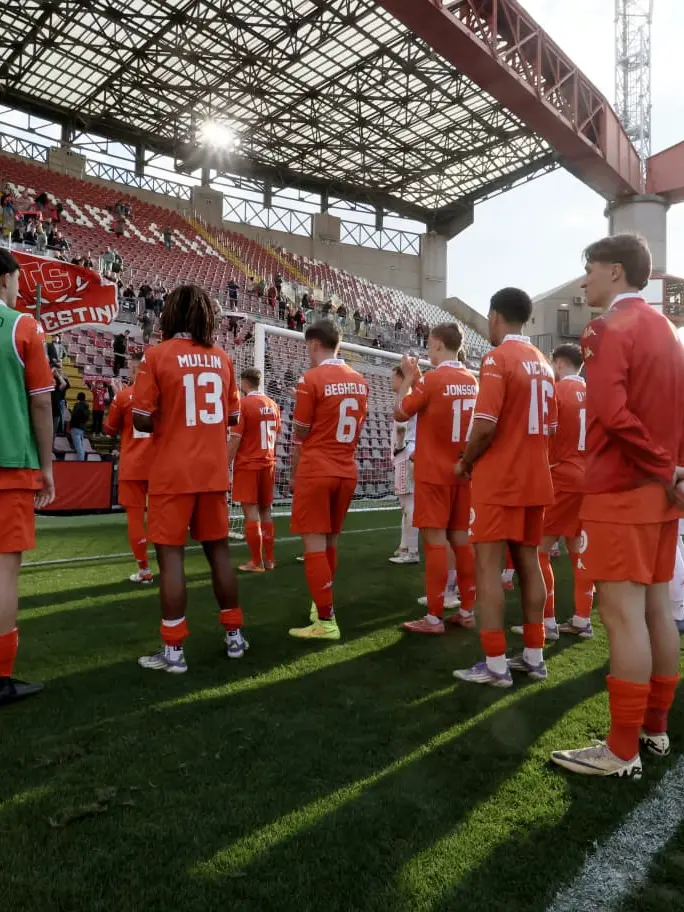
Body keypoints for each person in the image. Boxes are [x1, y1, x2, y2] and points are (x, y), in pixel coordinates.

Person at [551, 233, 684, 778]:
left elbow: (608, 409)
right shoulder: (670, 333)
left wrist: (658, 463)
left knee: (622, 616)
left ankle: (622, 749)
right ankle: (654, 730)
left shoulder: (606, 328)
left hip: (624, 490)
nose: (584, 280)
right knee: (657, 610)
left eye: (590, 269)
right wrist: (673, 470)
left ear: (616, 271)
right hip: (662, 494)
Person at [132, 284, 245, 674]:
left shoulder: (157, 356)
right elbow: (232, 419)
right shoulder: (223, 359)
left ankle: (174, 651)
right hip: (213, 472)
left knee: (172, 559)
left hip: (172, 473)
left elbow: (141, 419)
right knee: (219, 556)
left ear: (170, 316)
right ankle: (234, 637)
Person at [453, 287, 557, 687]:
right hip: (536, 476)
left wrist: (465, 461)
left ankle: (495, 664)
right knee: (529, 564)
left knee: (489, 568)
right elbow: (550, 427)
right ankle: (534, 656)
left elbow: (486, 425)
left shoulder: (497, 358)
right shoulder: (543, 363)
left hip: (501, 480)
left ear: (494, 316)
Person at [394, 324, 478, 633]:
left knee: (434, 544)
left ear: (440, 344)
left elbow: (400, 412)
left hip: (433, 473)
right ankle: (467, 611)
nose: (428, 350)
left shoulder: (433, 379)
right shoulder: (472, 380)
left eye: (430, 345)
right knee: (461, 540)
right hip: (462, 471)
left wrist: (406, 378)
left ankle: (433, 617)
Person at [289, 320, 368, 640]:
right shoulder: (360, 381)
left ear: (314, 344)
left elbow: (301, 433)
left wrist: (296, 472)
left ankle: (325, 619)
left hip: (317, 468)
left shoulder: (311, 379)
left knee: (314, 545)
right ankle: (322, 604)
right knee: (331, 541)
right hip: (346, 469)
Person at [0, 248, 55, 706]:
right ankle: (0, 676)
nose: (21, 289)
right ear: (4, 281)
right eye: (18, 281)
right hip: (9, 465)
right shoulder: (23, 327)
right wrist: (48, 466)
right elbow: (41, 401)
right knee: (4, 572)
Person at [511, 343, 595, 641]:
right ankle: (583, 619)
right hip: (591, 478)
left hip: (562, 476)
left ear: (559, 364)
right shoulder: (595, 395)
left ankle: (546, 621)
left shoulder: (558, 393)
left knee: (540, 549)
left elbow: (546, 433)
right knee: (579, 549)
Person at [105, 354, 154, 584]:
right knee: (162, 518)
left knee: (135, 519)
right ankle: (172, 567)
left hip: (133, 466)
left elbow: (108, 429)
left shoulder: (124, 397)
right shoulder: (160, 397)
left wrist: (115, 399)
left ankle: (144, 571)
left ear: (134, 370)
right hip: (159, 466)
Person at [228, 368, 281, 573]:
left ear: (244, 382)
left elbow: (235, 439)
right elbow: (276, 433)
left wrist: (225, 466)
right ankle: (270, 560)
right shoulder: (273, 405)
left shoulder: (243, 405)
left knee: (250, 511)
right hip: (268, 463)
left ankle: (256, 562)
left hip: (248, 464)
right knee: (266, 510)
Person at [388, 365, 419, 565]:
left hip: (405, 454)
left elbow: (401, 427)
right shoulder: (413, 397)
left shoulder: (406, 399)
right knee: (406, 506)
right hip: (410, 453)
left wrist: (398, 448)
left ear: (402, 378)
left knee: (409, 506)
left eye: (393, 377)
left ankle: (412, 551)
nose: (391, 381)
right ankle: (405, 547)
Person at [70, 392, 90, 461]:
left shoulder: (78, 405)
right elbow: (87, 418)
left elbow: (74, 415)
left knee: (79, 448)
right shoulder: (86, 406)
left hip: (75, 427)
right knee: (81, 446)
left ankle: (81, 463)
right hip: (82, 428)